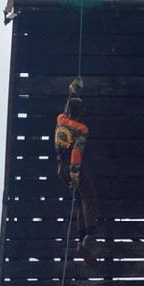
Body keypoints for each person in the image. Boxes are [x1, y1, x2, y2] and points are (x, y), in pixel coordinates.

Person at [54, 77, 100, 255]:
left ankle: (82, 239)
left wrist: (73, 91)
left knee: (80, 198)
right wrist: (75, 173)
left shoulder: (60, 119)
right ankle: (90, 236)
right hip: (73, 166)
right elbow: (76, 151)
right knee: (89, 197)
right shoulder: (81, 129)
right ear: (83, 112)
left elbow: (67, 108)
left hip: (61, 169)